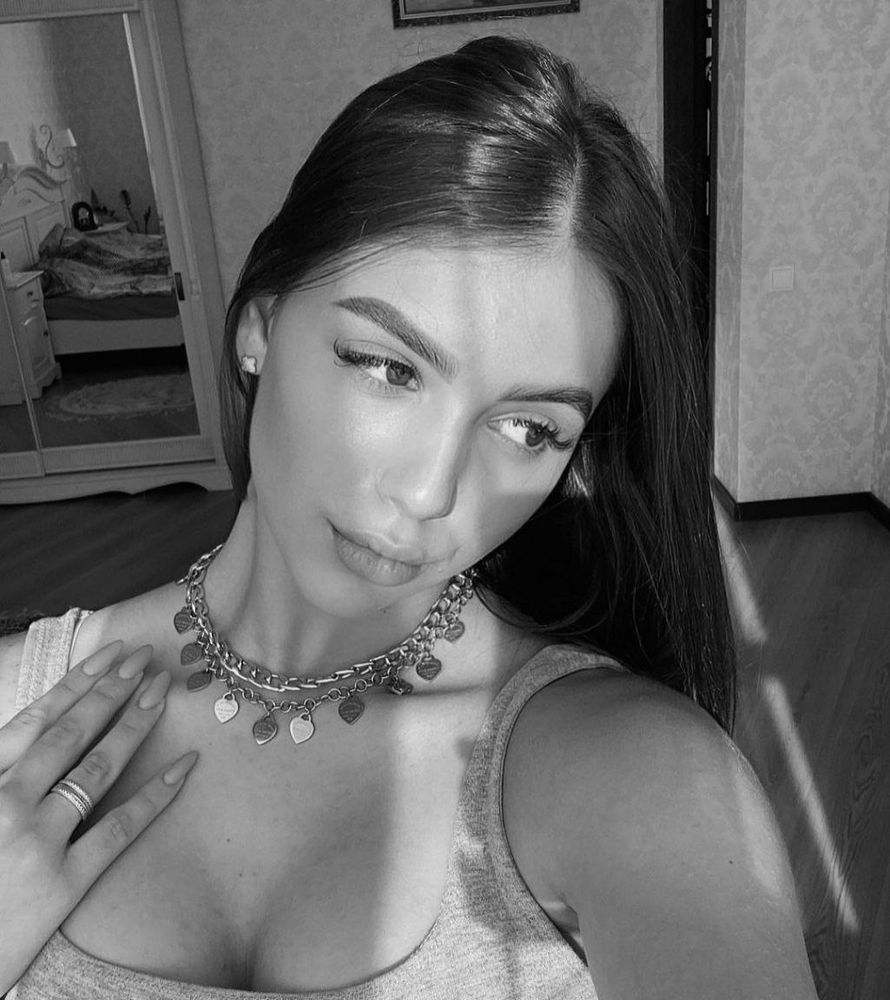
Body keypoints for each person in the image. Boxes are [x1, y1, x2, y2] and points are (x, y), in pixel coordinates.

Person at [0, 35, 817, 999]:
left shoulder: (637, 773)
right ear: (261, 322)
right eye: (389, 367)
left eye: (527, 427)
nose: (431, 493)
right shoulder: (17, 705)